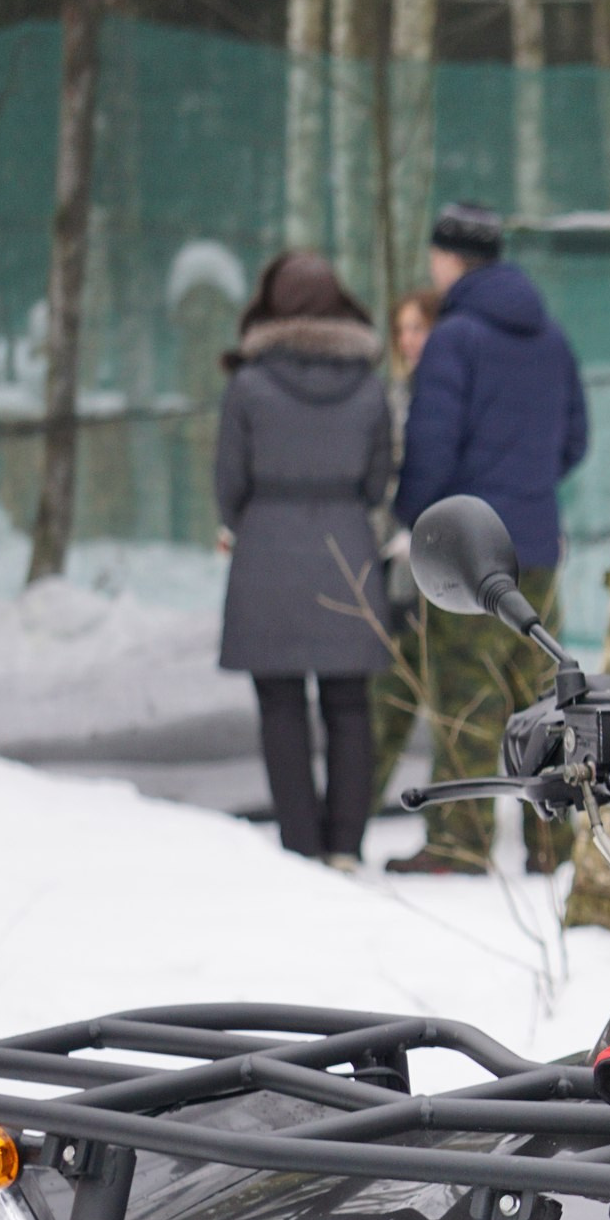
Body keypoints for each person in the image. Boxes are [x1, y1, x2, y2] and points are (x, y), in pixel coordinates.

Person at [387, 205, 589, 874]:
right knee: (540, 694)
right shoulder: (553, 337)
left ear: (448, 260)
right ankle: (553, 846)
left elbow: (430, 445)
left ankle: (459, 841)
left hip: (471, 553)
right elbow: (575, 439)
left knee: (466, 691)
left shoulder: (455, 337)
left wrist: (418, 521)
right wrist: (528, 492)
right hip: (536, 546)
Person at [213, 250, 393, 870]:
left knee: (280, 703)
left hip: (267, 546)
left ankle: (299, 843)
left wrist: (251, 523)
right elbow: (377, 484)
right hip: (348, 547)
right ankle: (346, 843)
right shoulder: (370, 387)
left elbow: (228, 483)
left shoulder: (249, 385)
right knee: (350, 704)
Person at [369, 287, 445, 810]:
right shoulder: (397, 392)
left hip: (434, 560)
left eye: (420, 327)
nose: (410, 340)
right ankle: (353, 809)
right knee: (390, 691)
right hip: (394, 563)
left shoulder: (444, 392)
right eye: (403, 329)